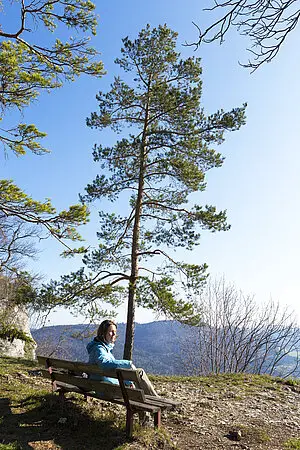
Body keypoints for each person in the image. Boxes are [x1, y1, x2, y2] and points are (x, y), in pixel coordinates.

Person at [86, 319, 157, 396]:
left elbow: (111, 372)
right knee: (139, 372)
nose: (114, 334)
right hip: (107, 390)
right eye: (111, 331)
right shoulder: (99, 349)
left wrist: (128, 382)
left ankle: (153, 398)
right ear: (103, 333)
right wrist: (127, 364)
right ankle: (156, 399)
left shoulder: (100, 348)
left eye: (115, 332)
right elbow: (104, 363)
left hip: (103, 386)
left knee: (137, 374)